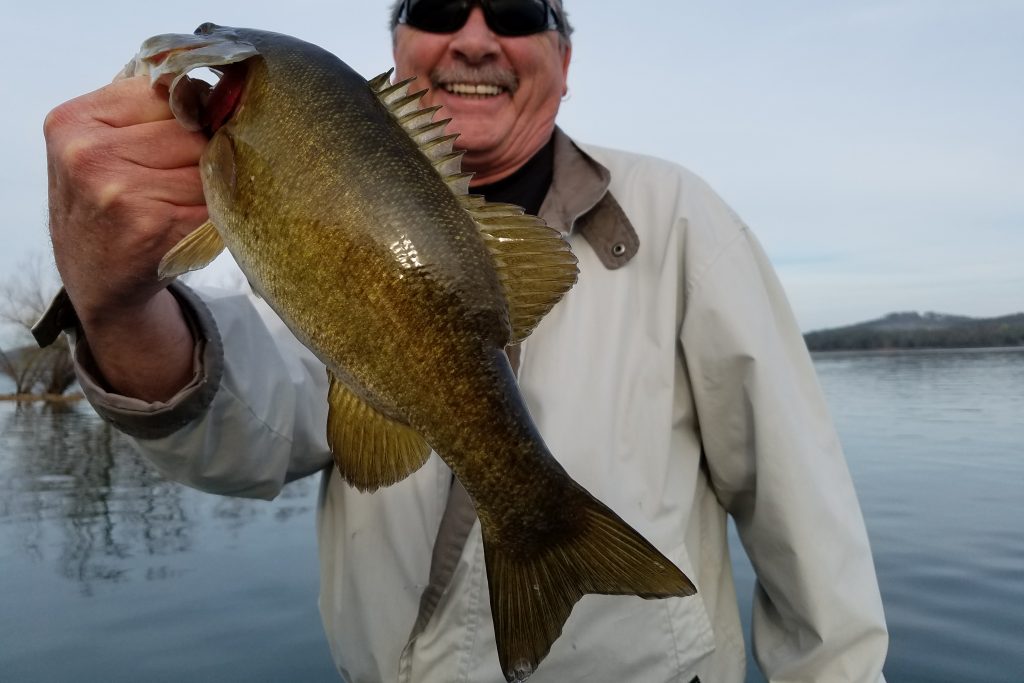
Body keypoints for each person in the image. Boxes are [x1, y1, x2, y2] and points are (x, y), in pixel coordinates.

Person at [39, 1, 888, 680]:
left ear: (565, 60)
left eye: (517, 11)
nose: (475, 36)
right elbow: (244, 432)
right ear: (398, 45)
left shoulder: (683, 217)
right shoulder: (305, 222)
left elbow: (804, 522)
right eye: (439, 7)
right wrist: (112, 304)